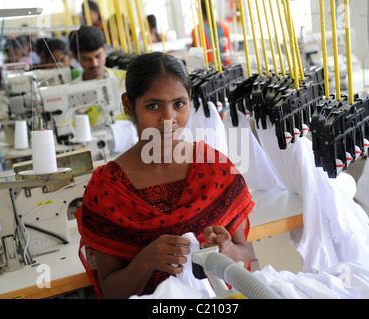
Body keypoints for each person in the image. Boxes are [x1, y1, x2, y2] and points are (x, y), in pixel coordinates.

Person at [74, 52, 254, 299]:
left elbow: (243, 258)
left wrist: (227, 249)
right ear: (128, 105)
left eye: (179, 104)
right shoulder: (108, 189)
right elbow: (111, 292)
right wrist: (146, 260)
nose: (168, 119)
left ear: (190, 100)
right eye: (153, 106)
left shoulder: (216, 168)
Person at [68, 25, 128, 123]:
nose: (94, 64)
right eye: (87, 59)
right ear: (75, 57)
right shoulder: (71, 91)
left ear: (104, 50)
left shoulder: (125, 79)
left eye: (98, 56)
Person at [191, 0, 232, 65]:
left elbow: (197, 60)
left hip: (209, 71)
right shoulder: (225, 27)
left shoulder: (196, 30)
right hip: (227, 67)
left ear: (200, 11)